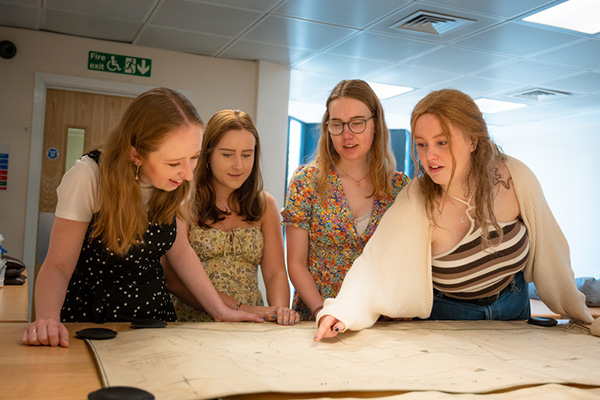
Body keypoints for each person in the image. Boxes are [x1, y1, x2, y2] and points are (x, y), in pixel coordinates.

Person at [314, 88, 594, 340]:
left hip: (514, 307)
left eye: (442, 142)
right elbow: (375, 265)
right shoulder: (417, 199)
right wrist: (343, 312)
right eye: (422, 144)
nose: (430, 156)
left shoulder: (514, 176)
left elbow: (551, 251)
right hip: (449, 317)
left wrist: (580, 314)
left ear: (473, 140)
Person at [21, 88, 262, 348]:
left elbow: (180, 251)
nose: (188, 174)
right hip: (91, 318)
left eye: (194, 157)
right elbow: (57, 265)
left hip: (154, 317)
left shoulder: (179, 180)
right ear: (136, 155)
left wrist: (219, 310)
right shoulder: (89, 178)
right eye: (174, 163)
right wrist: (47, 319)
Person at [281, 79, 410, 321]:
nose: (346, 135)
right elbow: (296, 264)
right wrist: (325, 312)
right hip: (319, 315)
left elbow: (403, 262)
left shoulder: (399, 188)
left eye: (357, 124)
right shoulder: (307, 181)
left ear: (375, 125)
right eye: (337, 124)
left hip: (379, 317)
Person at [163, 110, 299, 325]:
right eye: (227, 154)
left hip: (252, 323)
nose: (239, 165)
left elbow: (275, 273)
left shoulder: (264, 204)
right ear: (207, 155)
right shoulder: (184, 201)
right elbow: (173, 279)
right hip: (193, 321)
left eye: (247, 154)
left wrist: (280, 314)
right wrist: (243, 309)